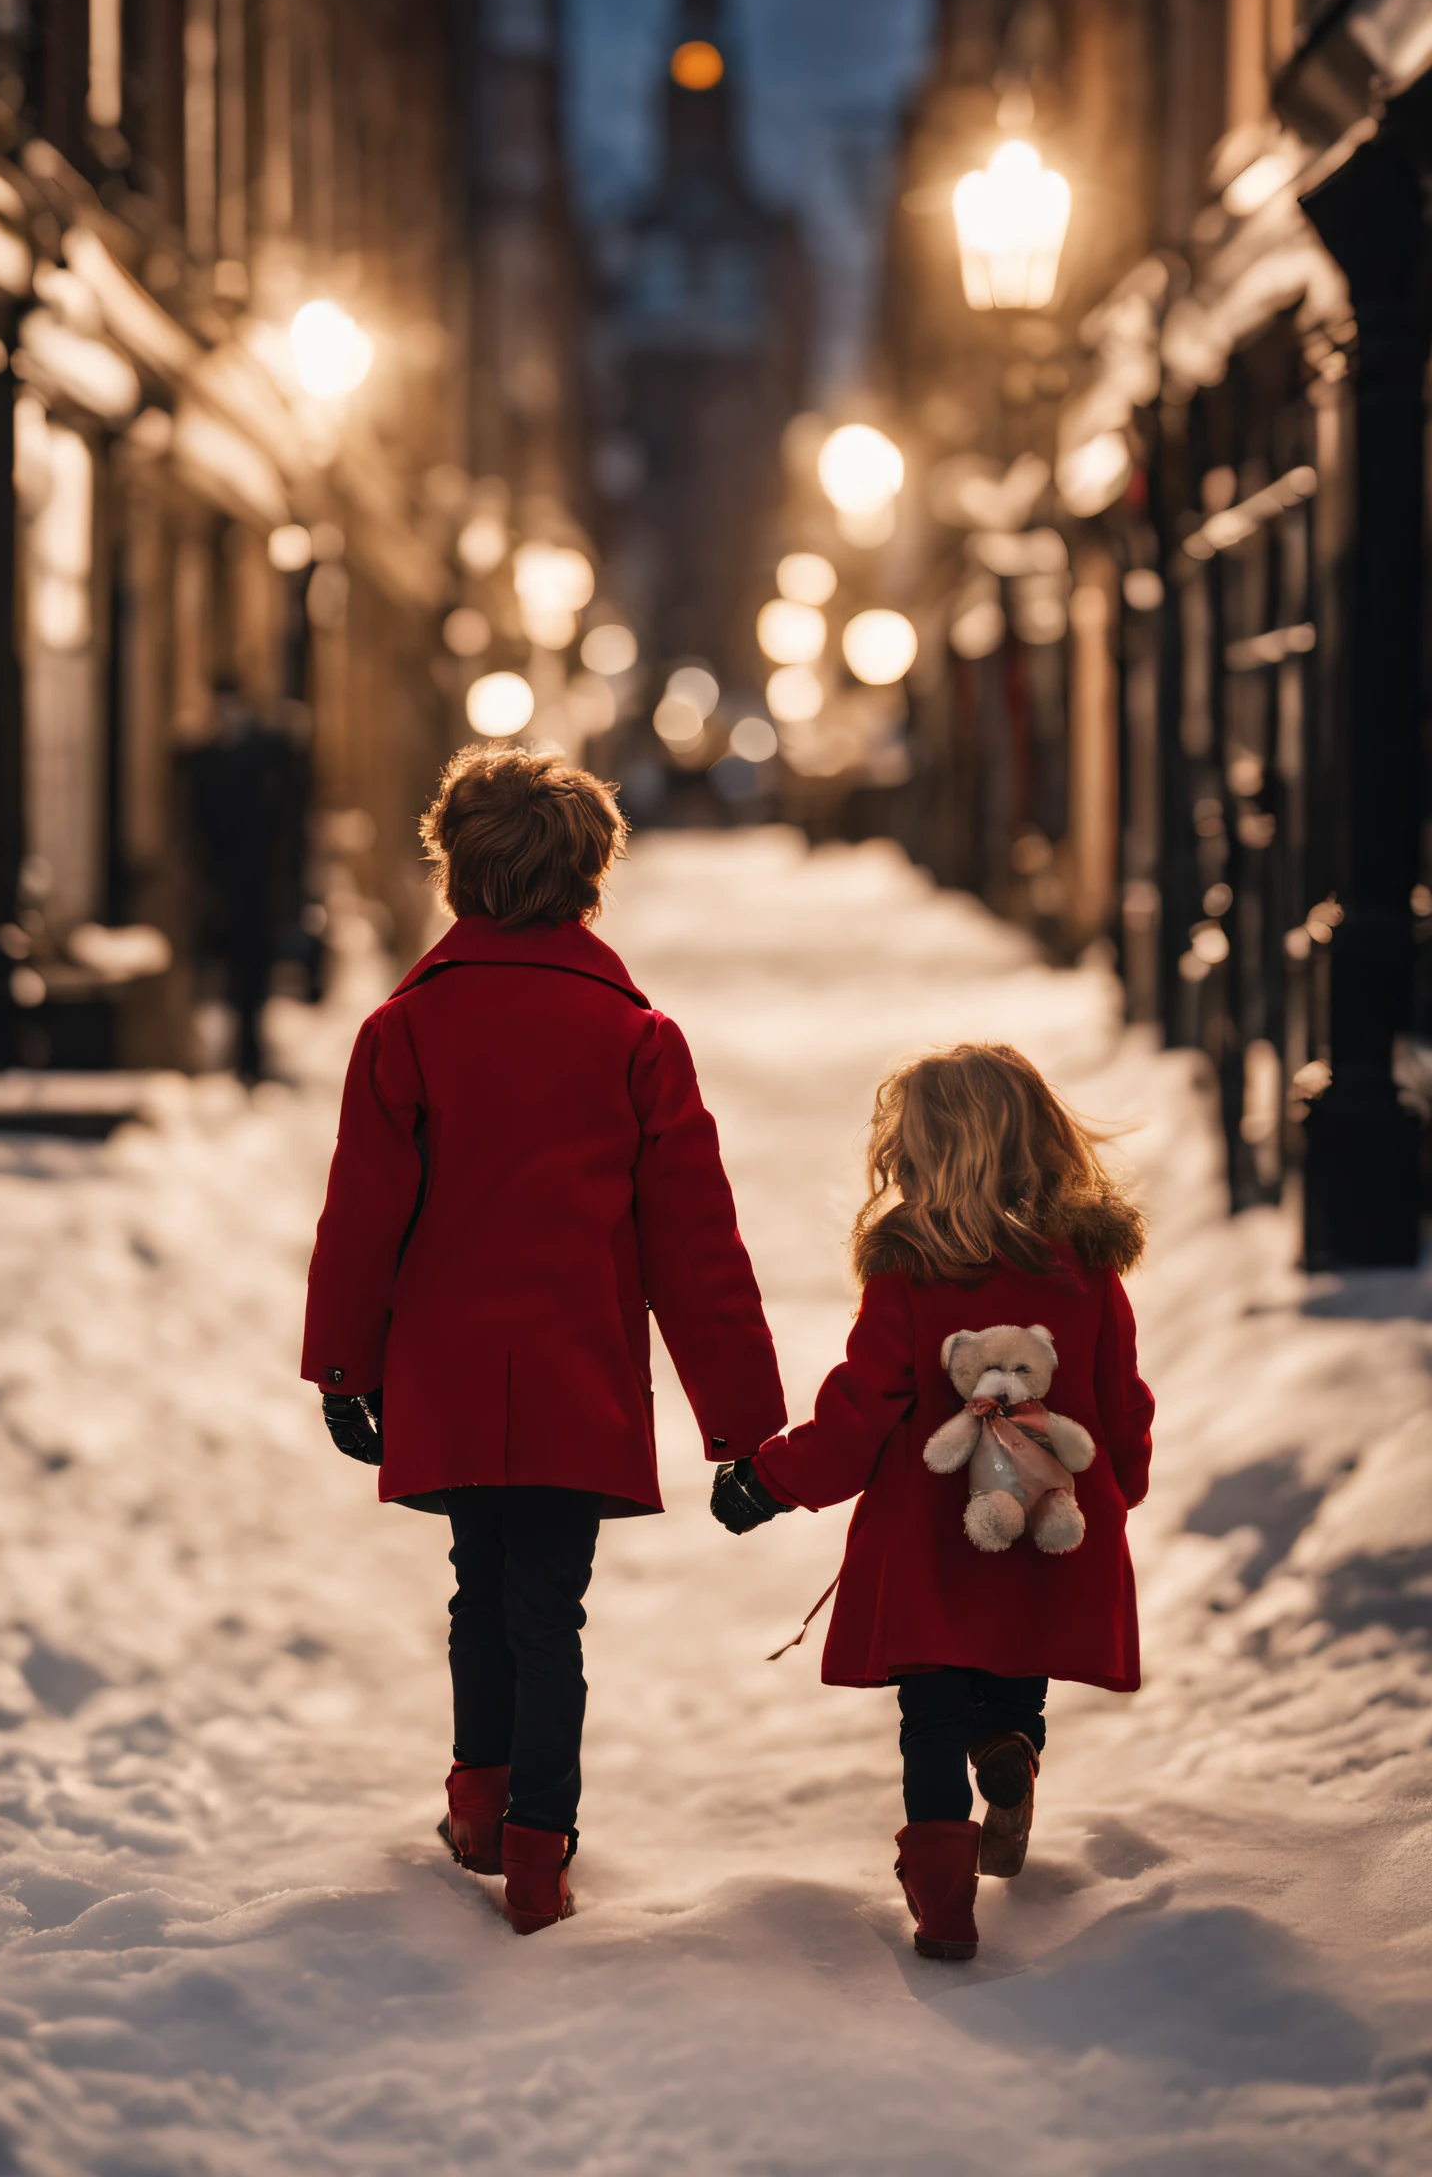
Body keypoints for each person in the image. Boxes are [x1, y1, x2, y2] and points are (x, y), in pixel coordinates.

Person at [302, 745, 786, 1934]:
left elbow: (363, 1213)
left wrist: (342, 1367)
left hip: (453, 1371)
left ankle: (476, 1795)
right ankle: (538, 1840)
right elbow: (693, 1242)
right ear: (588, 879)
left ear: (454, 872)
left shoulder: (404, 1029)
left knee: (479, 1584)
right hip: (575, 1375)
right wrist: (740, 1423)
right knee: (547, 1609)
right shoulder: (634, 1037)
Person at [712, 1044, 1153, 1963]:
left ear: (916, 1153)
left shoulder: (912, 1268)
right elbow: (1122, 1401)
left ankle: (945, 1908)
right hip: (1044, 1523)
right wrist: (1117, 1490)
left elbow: (861, 1407)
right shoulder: (1085, 1270)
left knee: (930, 1715)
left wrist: (771, 1480)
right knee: (1015, 1663)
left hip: (931, 1535)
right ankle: (1015, 1750)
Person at [182, 686, 309, 1085]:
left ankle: (245, 1056)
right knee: (243, 975)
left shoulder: (248, 762)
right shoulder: (248, 764)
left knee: (247, 974)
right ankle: (244, 1056)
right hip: (243, 888)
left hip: (248, 887)